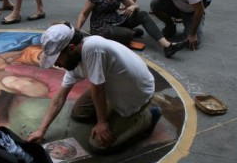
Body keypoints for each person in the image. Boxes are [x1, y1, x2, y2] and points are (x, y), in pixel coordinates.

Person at [27, 23, 162, 153]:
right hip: (113, 85)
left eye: (56, 58)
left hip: (135, 93)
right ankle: (111, 111)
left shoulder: (93, 48)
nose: (56, 63)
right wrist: (41, 130)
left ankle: (148, 116)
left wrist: (102, 122)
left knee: (99, 145)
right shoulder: (73, 58)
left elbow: (98, 90)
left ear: (71, 48)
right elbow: (60, 97)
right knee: (79, 113)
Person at [75, 0, 187, 58]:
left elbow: (134, 5)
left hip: (116, 20)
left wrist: (132, 7)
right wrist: (77, 30)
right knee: (127, 34)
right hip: (101, 27)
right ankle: (130, 32)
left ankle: (167, 46)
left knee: (142, 14)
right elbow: (84, 13)